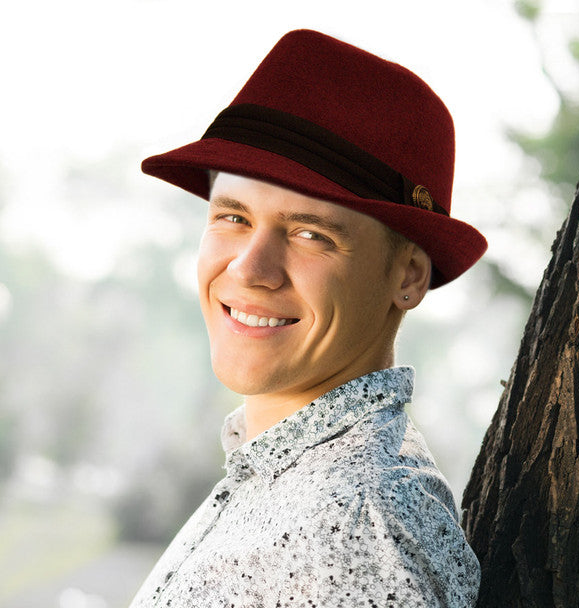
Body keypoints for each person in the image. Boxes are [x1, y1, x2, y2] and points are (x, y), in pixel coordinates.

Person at [129, 29, 487, 608]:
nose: (250, 270)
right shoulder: (288, 475)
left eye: (310, 234)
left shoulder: (356, 526)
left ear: (408, 276)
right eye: (234, 218)